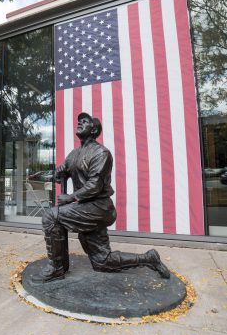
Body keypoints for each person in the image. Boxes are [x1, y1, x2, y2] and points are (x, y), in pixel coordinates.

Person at [37, 112, 171, 283]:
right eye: (79, 121)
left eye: (85, 122)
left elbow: (95, 185)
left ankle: (57, 267)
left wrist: (70, 198)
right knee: (103, 261)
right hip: (85, 208)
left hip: (99, 207)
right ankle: (149, 258)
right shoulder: (73, 154)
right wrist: (39, 176)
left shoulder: (101, 153)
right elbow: (59, 172)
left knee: (51, 216)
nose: (80, 123)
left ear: (94, 130)